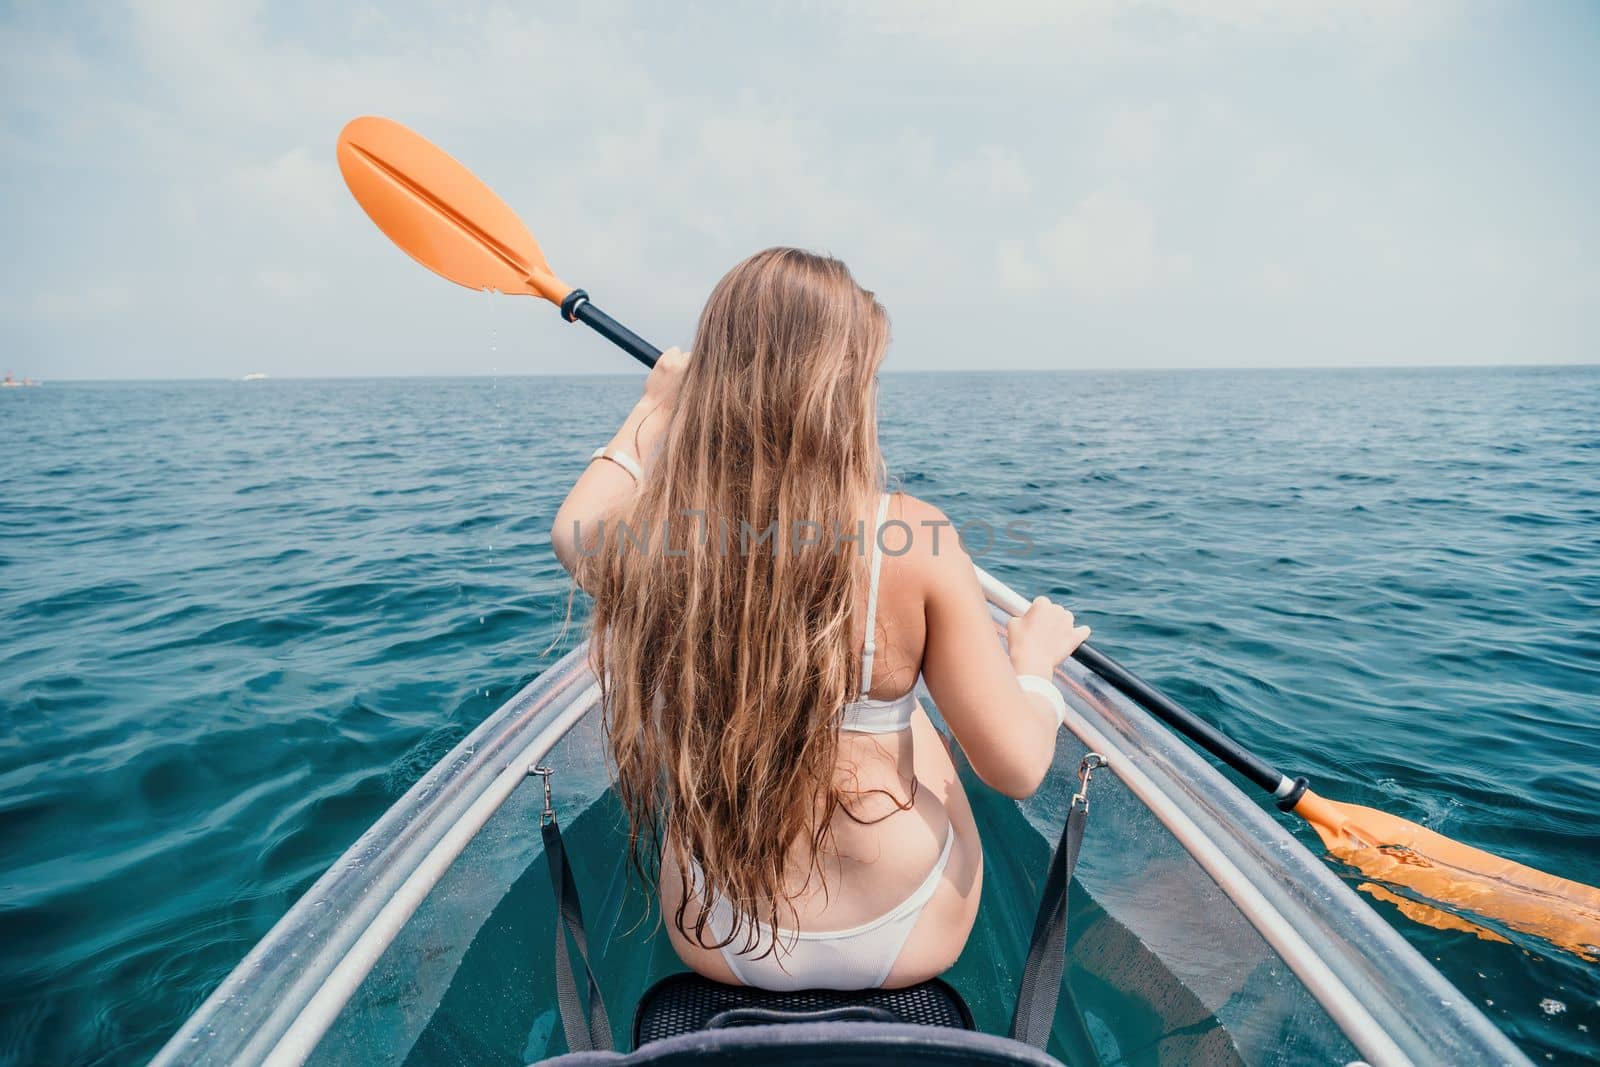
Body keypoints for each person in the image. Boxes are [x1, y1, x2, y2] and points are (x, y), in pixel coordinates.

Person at [552, 247, 1089, 992]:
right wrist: (1033, 671)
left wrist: (655, 406)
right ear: (842, 394)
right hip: (907, 933)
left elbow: (573, 527)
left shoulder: (666, 543)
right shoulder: (915, 537)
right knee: (918, 729)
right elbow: (1019, 768)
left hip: (716, 931)